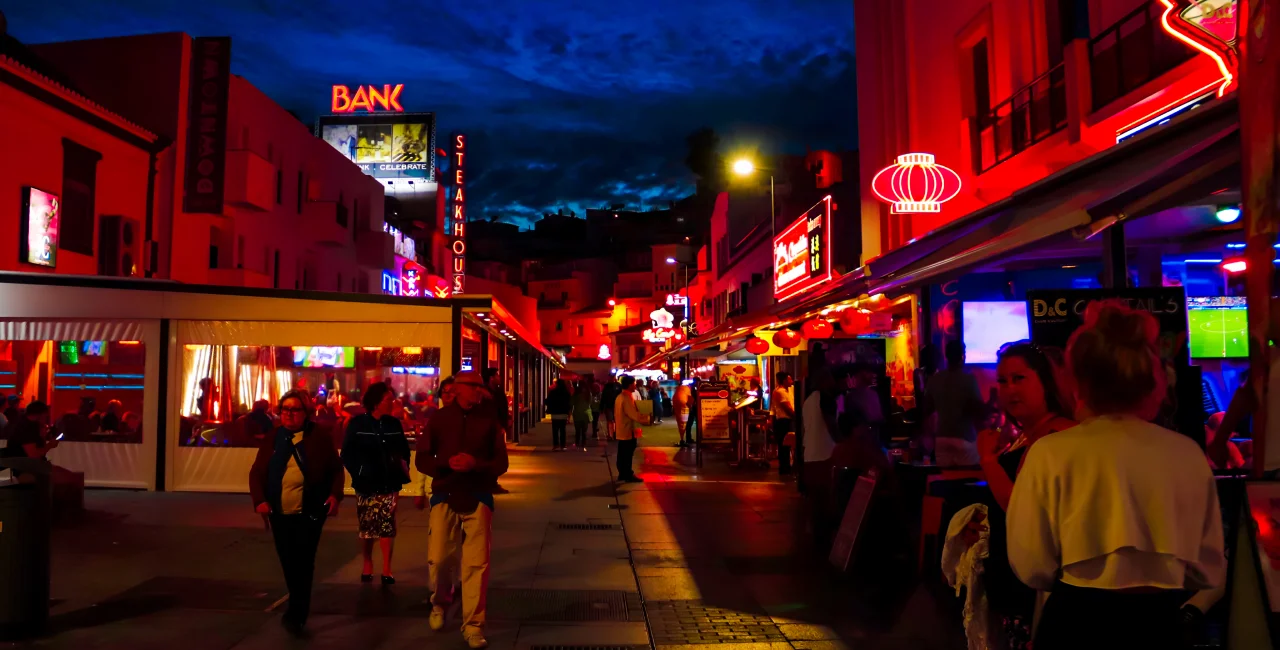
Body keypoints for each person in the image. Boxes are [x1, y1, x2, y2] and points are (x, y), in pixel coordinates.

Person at [1007, 302, 1225, 650]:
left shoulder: (1052, 452)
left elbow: (1031, 563)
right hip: (1159, 623)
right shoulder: (1186, 453)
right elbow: (1208, 568)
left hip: (1076, 619)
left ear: (1077, 380)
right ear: (1150, 379)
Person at [971, 342, 1076, 650]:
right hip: (1017, 582)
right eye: (1002, 381)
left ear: (1046, 381)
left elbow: (1022, 507)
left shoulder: (1056, 435)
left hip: (1037, 587)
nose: (1009, 389)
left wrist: (988, 462)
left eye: (1019, 378)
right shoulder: (1028, 434)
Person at [416, 371, 509, 649]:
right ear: (458, 389)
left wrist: (475, 465)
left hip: (478, 496)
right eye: (474, 386)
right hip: (444, 494)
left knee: (476, 565)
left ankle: (473, 625)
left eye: (480, 387)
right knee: (440, 558)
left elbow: (501, 462)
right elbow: (422, 458)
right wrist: (444, 465)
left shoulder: (489, 420)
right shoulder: (440, 419)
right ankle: (440, 602)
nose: (479, 391)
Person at [248, 390, 343, 638]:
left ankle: (297, 613)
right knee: (288, 561)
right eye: (285, 410)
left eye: (294, 410)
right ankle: (297, 605)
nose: (289, 414)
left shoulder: (318, 438)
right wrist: (259, 500)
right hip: (279, 512)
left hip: (310, 510)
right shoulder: (273, 438)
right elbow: (257, 472)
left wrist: (334, 495)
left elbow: (335, 469)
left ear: (306, 413)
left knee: (303, 561)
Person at [341, 382, 411, 585]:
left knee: (387, 523)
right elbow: (347, 452)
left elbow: (403, 450)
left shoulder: (393, 424)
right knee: (368, 524)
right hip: (366, 482)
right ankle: (367, 562)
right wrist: (359, 472)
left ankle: (387, 568)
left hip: (390, 480)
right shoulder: (358, 424)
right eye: (389, 400)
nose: (393, 403)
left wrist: (400, 467)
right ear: (377, 402)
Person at [923, 341, 985, 466]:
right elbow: (978, 411)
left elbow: (926, 409)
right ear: (963, 356)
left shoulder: (935, 379)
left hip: (942, 438)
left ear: (946, 356)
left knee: (945, 480)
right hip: (964, 438)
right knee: (968, 481)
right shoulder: (969, 379)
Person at [1, 401, 58, 474]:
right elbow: (33, 455)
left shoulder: (25, 423)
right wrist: (50, 445)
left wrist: (42, 436)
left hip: (23, 465)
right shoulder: (26, 428)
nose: (47, 418)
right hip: (23, 468)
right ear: (40, 415)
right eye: (46, 416)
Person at [614, 376, 645, 483]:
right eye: (634, 383)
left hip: (621, 429)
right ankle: (627, 474)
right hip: (628, 430)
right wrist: (644, 418)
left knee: (622, 453)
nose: (635, 385)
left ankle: (622, 473)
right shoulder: (627, 397)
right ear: (630, 384)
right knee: (627, 454)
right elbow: (632, 414)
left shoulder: (620, 396)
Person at [771, 372, 797, 475]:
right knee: (784, 446)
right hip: (783, 421)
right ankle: (784, 469)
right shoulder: (780, 392)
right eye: (789, 379)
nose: (791, 381)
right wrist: (797, 418)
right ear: (784, 380)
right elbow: (788, 409)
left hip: (787, 420)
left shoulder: (788, 390)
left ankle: (787, 468)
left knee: (787, 445)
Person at [482, 368, 510, 436]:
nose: (499, 377)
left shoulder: (499, 392)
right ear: (491, 378)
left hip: (498, 426)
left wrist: (504, 425)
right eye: (497, 375)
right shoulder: (483, 392)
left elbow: (504, 409)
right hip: (487, 426)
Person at [545, 379, 572, 451]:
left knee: (555, 430)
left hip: (555, 414)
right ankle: (563, 445)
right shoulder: (566, 393)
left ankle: (556, 444)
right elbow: (569, 403)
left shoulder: (553, 392)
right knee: (563, 430)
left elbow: (548, 401)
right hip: (563, 413)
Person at [571, 380, 593, 451]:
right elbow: (590, 402)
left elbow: (571, 403)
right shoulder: (588, 394)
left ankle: (577, 442)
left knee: (577, 430)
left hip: (577, 414)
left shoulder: (576, 394)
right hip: (585, 414)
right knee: (584, 430)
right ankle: (583, 442)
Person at [673, 382, 693, 447]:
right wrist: (690, 407)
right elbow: (690, 400)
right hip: (684, 405)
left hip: (677, 405)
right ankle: (682, 439)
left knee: (680, 423)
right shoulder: (688, 390)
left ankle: (682, 438)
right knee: (683, 423)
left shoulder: (678, 389)